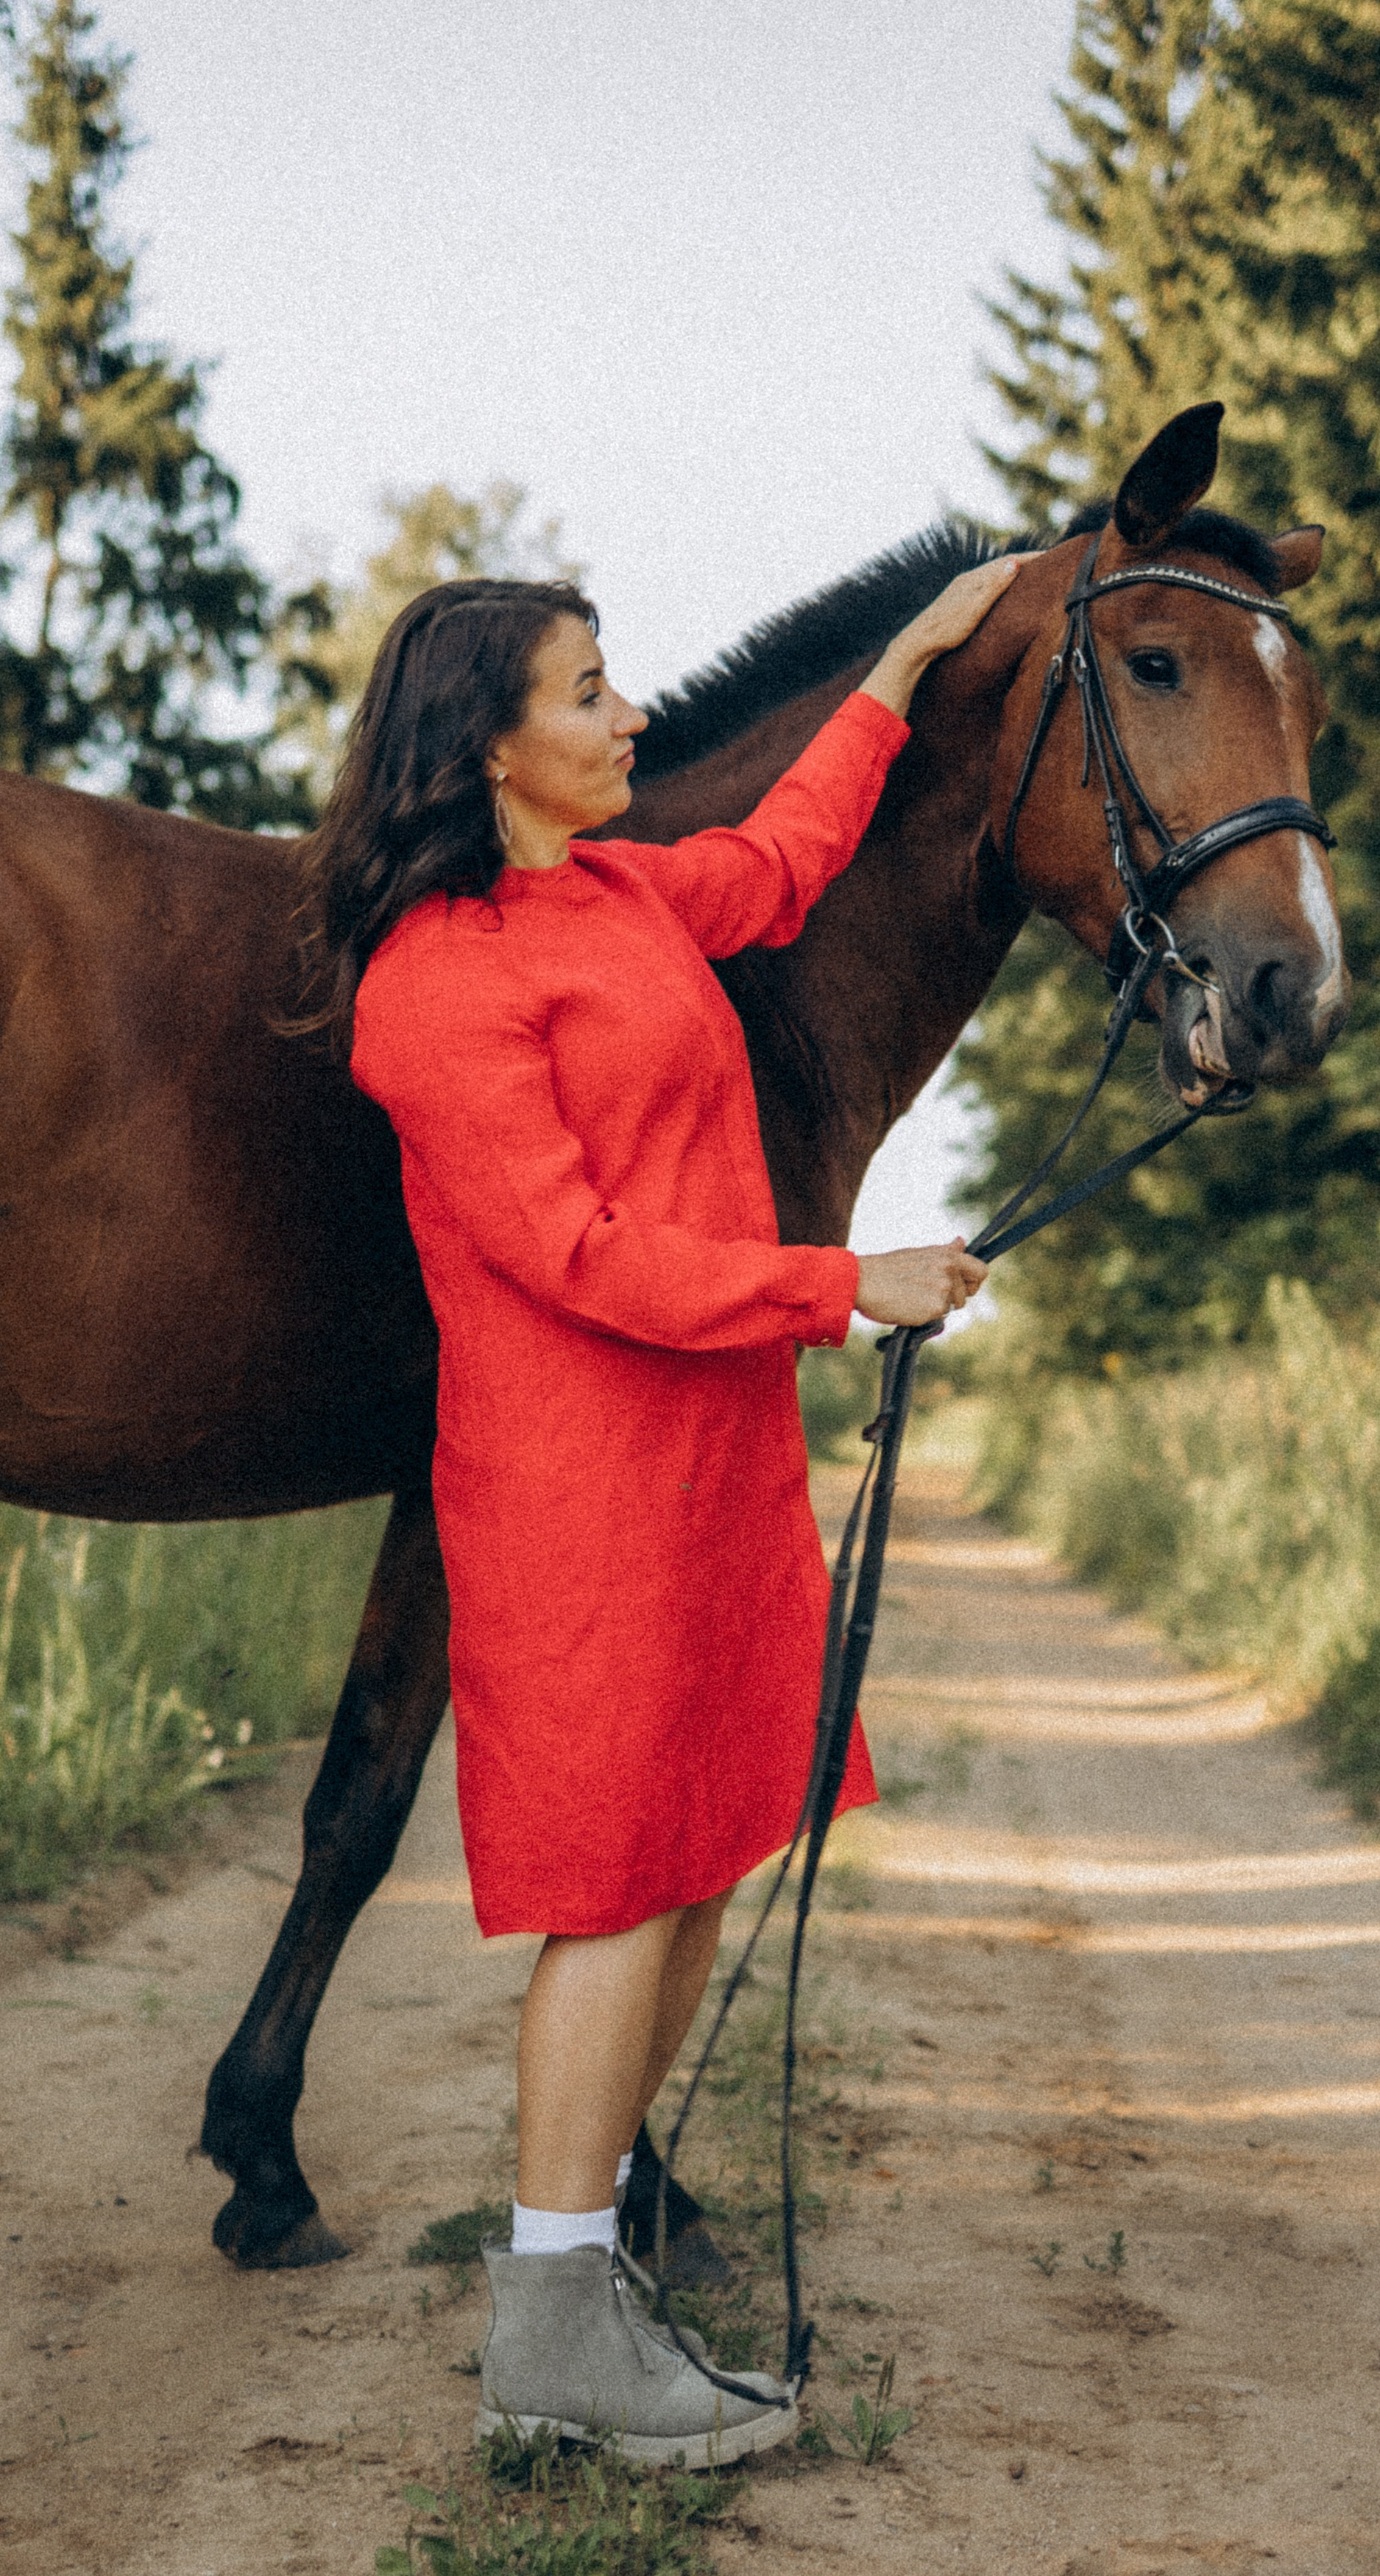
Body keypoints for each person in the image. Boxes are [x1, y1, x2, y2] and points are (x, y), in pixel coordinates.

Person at [299, 555, 1016, 2466]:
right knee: (617, 1874)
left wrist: (909, 661)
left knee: (704, 1839)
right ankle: (547, 2330)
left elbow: (783, 861)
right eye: (594, 690)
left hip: (712, 1459)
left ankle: (585, 2268)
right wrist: (838, 1281)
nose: (632, 718)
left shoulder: (621, 890)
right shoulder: (431, 985)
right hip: (580, 1488)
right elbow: (583, 1256)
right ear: (489, 746)